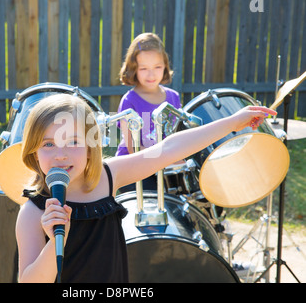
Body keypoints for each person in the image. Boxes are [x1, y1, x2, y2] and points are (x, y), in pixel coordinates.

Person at [15, 92, 275, 283]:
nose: (60, 154)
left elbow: (168, 149)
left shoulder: (107, 176)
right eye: (48, 144)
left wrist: (231, 122)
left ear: (90, 147)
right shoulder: (33, 213)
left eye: (72, 142)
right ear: (35, 153)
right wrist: (55, 241)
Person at [116, 33, 181, 192]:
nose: (151, 74)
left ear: (165, 66)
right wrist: (167, 160)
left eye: (157, 67)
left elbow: (180, 135)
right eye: (143, 68)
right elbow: (134, 149)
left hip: (164, 166)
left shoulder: (173, 97)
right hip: (133, 169)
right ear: (133, 69)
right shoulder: (129, 101)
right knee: (153, 195)